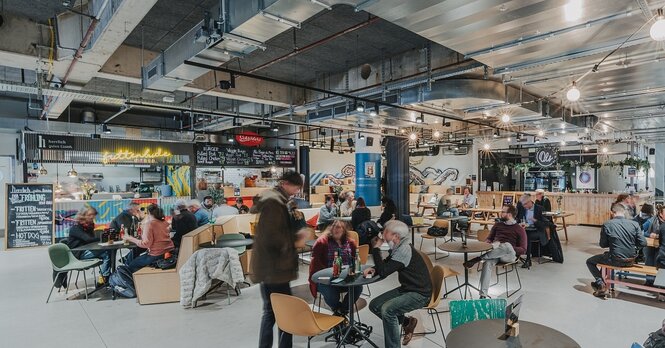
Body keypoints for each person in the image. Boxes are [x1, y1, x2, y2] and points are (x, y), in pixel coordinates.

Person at [251, 171, 307, 348]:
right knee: (283, 312)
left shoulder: (277, 201)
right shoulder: (274, 204)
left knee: (271, 312)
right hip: (275, 269)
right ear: (285, 183)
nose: (297, 191)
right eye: (296, 187)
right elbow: (272, 237)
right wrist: (296, 239)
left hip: (272, 269)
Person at [366, 220, 432, 346]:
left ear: (396, 236)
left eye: (386, 232)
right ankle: (407, 322)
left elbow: (384, 272)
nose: (382, 235)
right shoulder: (399, 246)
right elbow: (387, 263)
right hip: (408, 288)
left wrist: (375, 249)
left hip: (420, 293)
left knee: (387, 310)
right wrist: (375, 268)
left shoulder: (404, 249)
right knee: (375, 305)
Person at [463, 204, 527, 298]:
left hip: (509, 255)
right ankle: (483, 295)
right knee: (487, 263)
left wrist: (507, 247)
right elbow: (489, 239)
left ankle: (479, 258)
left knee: (507, 245)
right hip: (495, 253)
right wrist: (488, 244)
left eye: (503, 212)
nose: (501, 213)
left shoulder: (519, 229)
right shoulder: (498, 225)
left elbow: (523, 249)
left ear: (509, 215)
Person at [586, 203, 646, 298]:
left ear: (612, 213)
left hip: (614, 260)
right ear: (624, 212)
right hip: (631, 260)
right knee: (606, 257)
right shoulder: (634, 224)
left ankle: (600, 283)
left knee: (590, 261)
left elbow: (603, 245)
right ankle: (602, 283)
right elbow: (643, 243)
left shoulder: (607, 224)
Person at [308, 220, 362, 316]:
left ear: (344, 230)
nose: (335, 229)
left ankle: (342, 311)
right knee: (331, 294)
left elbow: (356, 260)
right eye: (333, 226)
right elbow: (314, 265)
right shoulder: (322, 242)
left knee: (358, 288)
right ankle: (338, 310)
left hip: (346, 277)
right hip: (326, 278)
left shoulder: (350, 243)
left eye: (338, 227)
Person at [122, 204, 175, 273]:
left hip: (157, 255)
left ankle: (137, 282)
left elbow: (145, 244)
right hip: (169, 251)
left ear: (148, 213)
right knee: (137, 253)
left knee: (132, 265)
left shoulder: (150, 224)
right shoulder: (165, 222)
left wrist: (130, 238)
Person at [67, 207, 111, 284]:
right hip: (78, 254)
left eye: (93, 215)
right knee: (107, 252)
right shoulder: (76, 228)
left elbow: (91, 240)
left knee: (107, 253)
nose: (92, 217)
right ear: (83, 216)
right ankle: (104, 278)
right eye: (90, 215)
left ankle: (104, 278)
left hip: (86, 250)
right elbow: (88, 239)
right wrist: (104, 236)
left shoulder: (89, 226)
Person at [516, 193, 547, 268]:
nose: (524, 206)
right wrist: (519, 223)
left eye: (525, 204)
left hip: (537, 230)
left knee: (527, 236)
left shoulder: (540, 209)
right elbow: (517, 219)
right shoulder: (522, 208)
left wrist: (535, 221)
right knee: (514, 234)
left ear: (530, 201)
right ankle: (515, 256)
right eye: (523, 204)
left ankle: (528, 260)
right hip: (525, 229)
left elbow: (544, 224)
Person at [644, 205, 663, 286]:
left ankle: (660, 282)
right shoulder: (651, 221)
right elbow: (641, 231)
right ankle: (649, 281)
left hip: (662, 247)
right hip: (650, 246)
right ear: (660, 214)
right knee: (650, 261)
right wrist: (649, 234)